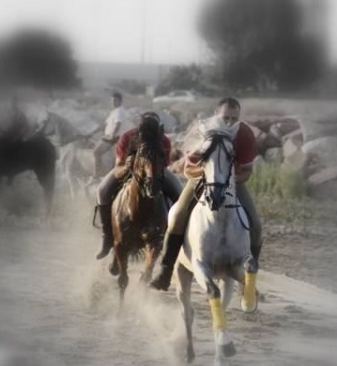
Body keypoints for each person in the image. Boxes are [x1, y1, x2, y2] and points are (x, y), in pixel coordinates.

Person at [150, 97, 263, 291]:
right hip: (200, 178)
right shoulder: (201, 131)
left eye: (234, 118)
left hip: (232, 182)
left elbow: (246, 171)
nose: (229, 122)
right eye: (225, 117)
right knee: (177, 216)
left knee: (256, 225)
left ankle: (249, 279)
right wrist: (210, 178)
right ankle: (165, 271)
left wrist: (226, 181)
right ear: (216, 113)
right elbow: (188, 167)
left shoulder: (243, 133)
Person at [94, 112, 183, 260]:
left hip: (155, 172)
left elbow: (164, 164)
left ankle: (176, 236)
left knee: (180, 193)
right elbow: (118, 164)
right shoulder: (127, 137)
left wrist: (153, 172)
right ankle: (107, 236)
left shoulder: (164, 140)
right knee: (102, 190)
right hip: (127, 170)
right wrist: (129, 164)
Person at [91, 92, 131, 181]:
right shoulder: (115, 111)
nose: (113, 103)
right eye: (112, 101)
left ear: (120, 101)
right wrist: (93, 131)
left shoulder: (119, 111)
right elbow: (105, 124)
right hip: (109, 136)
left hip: (113, 138)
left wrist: (112, 134)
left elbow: (118, 124)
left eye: (115, 101)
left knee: (96, 152)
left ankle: (97, 173)